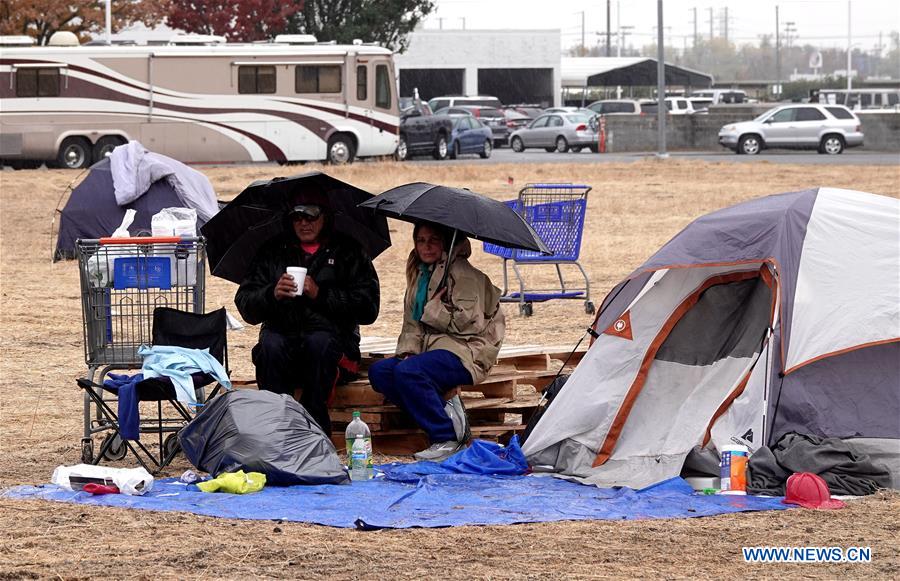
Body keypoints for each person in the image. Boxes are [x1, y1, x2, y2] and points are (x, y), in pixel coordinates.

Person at [235, 191, 380, 435]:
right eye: (297, 216)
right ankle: (276, 429)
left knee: (319, 342)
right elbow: (246, 305)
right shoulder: (272, 251)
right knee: (270, 344)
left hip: (332, 343)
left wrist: (320, 294)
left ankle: (314, 429)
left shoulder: (348, 250)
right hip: (283, 340)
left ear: (326, 217)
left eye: (311, 215)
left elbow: (368, 308)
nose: (304, 222)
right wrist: (272, 293)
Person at [368, 222, 506, 461]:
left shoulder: (464, 274)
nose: (426, 246)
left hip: (468, 352)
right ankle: (445, 414)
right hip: (432, 351)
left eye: (433, 240)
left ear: (446, 242)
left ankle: (447, 438)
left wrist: (435, 311)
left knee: (409, 373)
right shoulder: (420, 274)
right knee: (381, 372)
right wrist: (407, 352)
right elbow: (411, 325)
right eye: (421, 240)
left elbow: (470, 324)